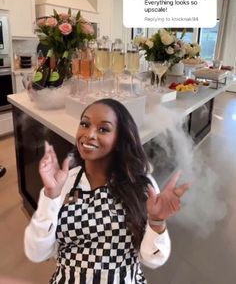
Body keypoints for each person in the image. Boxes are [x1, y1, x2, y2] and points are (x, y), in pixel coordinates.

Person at [24, 98, 190, 283]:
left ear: (120, 139)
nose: (89, 134)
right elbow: (37, 253)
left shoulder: (142, 186)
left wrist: (157, 221)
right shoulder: (64, 182)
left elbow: (152, 258)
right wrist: (50, 196)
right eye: (85, 124)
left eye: (103, 129)